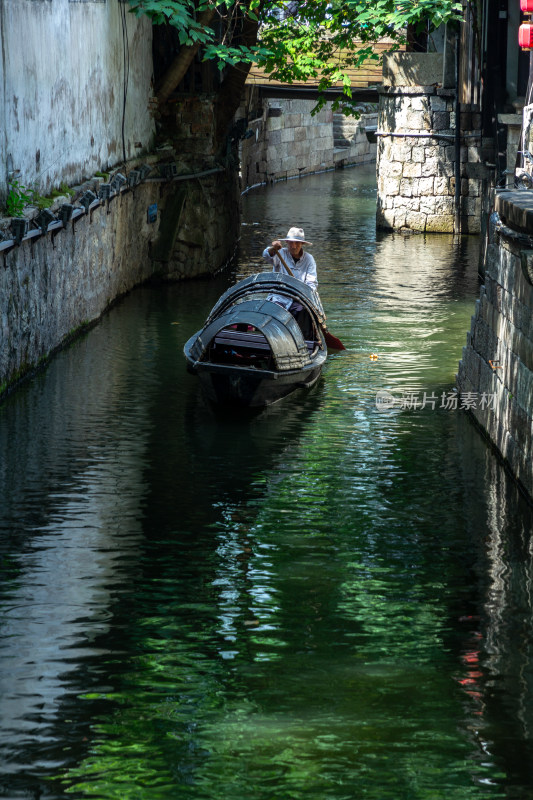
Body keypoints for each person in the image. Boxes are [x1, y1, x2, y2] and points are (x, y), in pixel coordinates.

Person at [262, 227, 318, 339]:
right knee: (274, 310)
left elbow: (311, 284)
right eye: (291, 243)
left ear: (302, 244)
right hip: (280, 297)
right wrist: (273, 249)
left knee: (303, 310)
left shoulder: (309, 259)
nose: (293, 246)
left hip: (299, 298)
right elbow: (266, 256)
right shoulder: (280, 253)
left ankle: (302, 340)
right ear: (286, 242)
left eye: (297, 243)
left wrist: (303, 294)